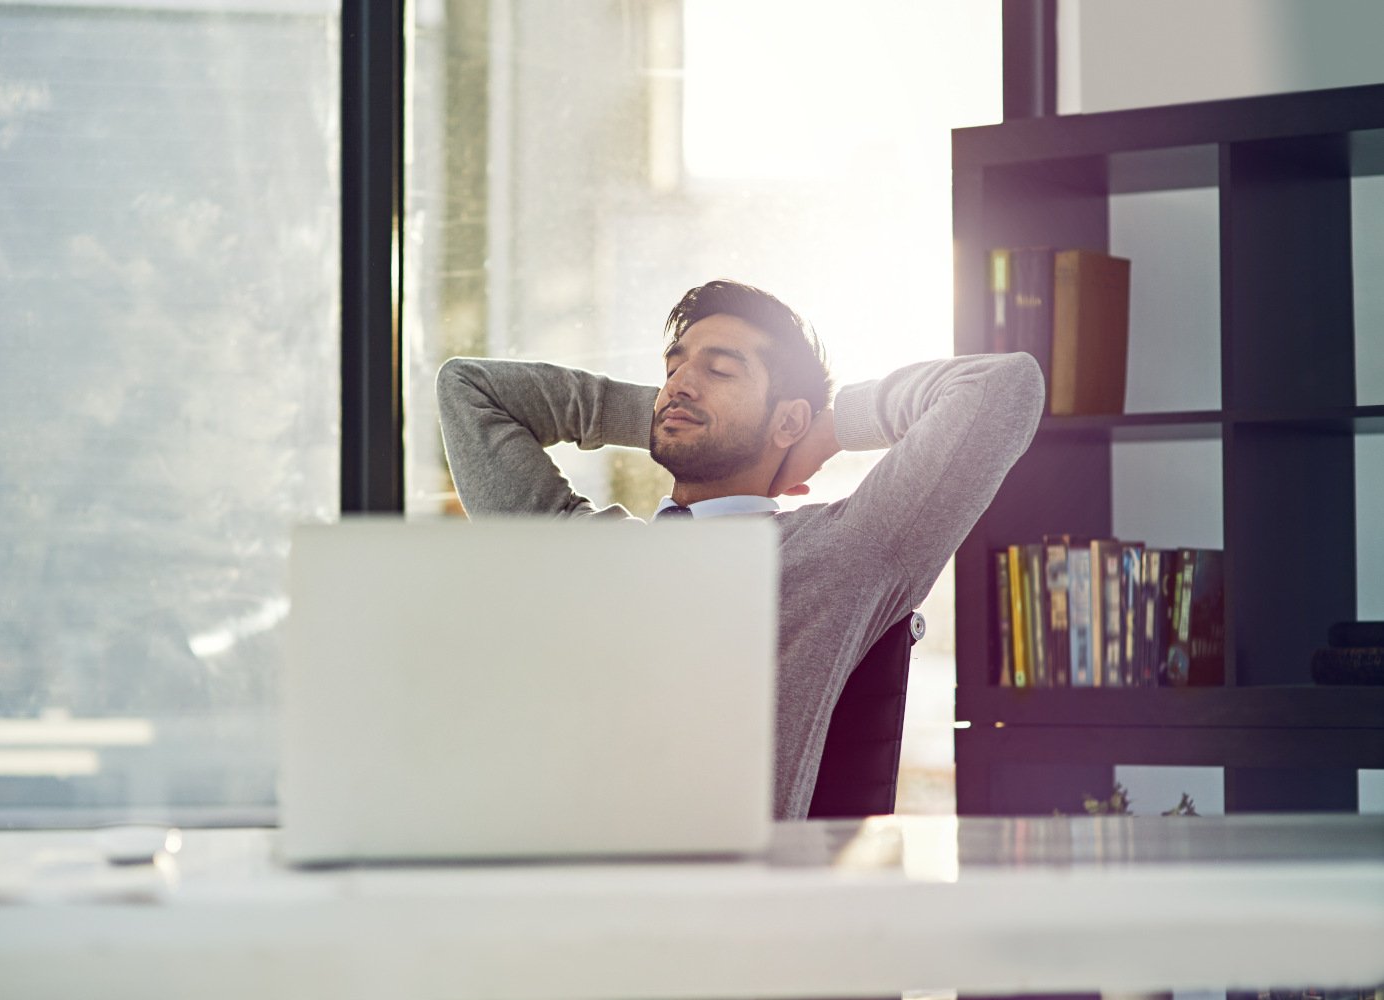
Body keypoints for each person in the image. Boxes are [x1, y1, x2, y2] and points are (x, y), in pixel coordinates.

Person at [436, 279, 1044, 819]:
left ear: (788, 422)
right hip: (541, 885)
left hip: (710, 907)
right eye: (673, 368)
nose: (679, 384)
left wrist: (827, 430)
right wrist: (658, 413)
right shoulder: (584, 550)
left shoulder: (848, 550)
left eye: (720, 370)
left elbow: (1002, 388)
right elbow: (468, 390)